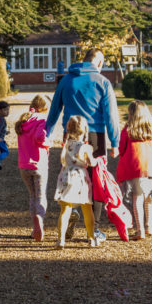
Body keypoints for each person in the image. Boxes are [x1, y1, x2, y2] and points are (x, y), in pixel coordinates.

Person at [46, 48, 120, 243]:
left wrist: (47, 133)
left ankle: (70, 209)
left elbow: (54, 109)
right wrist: (115, 141)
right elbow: (111, 114)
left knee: (71, 173)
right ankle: (93, 230)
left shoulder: (66, 80)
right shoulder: (102, 82)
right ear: (100, 62)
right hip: (95, 135)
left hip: (70, 135)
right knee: (97, 181)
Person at [116, 100, 152, 240]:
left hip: (135, 166)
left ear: (131, 114)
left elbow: (122, 149)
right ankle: (150, 226)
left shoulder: (128, 130)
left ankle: (140, 230)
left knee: (137, 197)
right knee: (150, 197)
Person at [53, 115, 100, 249]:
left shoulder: (66, 145)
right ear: (85, 130)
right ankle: (91, 238)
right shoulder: (85, 147)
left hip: (66, 176)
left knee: (65, 209)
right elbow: (91, 163)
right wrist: (98, 160)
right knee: (87, 208)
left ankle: (61, 240)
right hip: (80, 178)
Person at [15, 94, 52, 242]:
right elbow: (40, 138)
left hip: (24, 166)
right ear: (44, 108)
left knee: (32, 196)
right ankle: (40, 222)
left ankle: (34, 226)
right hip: (39, 165)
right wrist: (48, 143)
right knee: (41, 195)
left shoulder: (23, 121)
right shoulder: (42, 120)